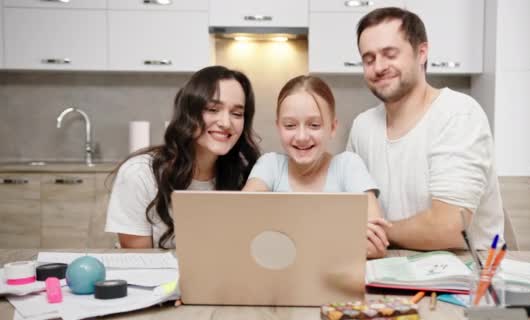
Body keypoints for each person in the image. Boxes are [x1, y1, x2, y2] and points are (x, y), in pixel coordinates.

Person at [347, 7, 504, 250]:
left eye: (390, 54)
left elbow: (449, 228)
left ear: (421, 53)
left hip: (464, 277)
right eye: (369, 59)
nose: (378, 67)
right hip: (386, 270)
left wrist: (377, 233)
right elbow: (351, 211)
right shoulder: (362, 127)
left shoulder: (458, 115)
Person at [105, 65, 261, 249]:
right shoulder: (140, 174)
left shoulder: (247, 177)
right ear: (189, 113)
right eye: (212, 109)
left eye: (237, 113)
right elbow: (139, 263)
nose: (226, 123)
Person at [243, 75, 391, 258]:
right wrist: (344, 236)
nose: (302, 136)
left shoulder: (348, 166)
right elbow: (244, 223)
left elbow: (375, 244)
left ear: (333, 127)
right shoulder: (270, 165)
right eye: (290, 125)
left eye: (314, 125)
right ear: (278, 127)